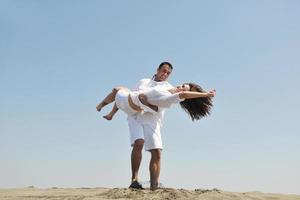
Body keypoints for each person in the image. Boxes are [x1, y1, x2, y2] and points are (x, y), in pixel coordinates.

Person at [96, 83, 215, 121]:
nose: (181, 87)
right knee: (121, 92)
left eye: (184, 88)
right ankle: (111, 114)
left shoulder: (174, 97)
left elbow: (184, 95)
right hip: (130, 105)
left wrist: (206, 94)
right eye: (183, 84)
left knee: (118, 89)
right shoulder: (166, 87)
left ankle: (102, 105)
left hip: (130, 103)